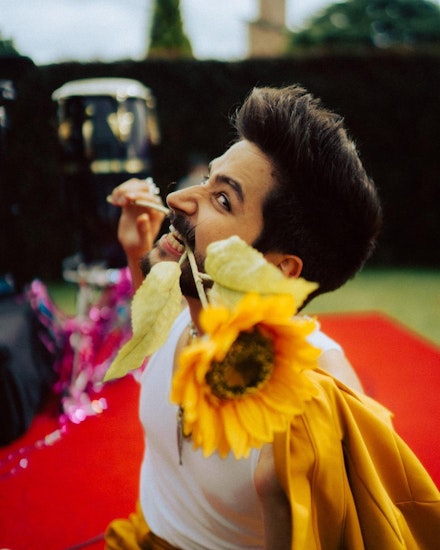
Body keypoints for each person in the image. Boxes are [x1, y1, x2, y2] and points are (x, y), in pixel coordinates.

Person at [105, 85, 439, 549]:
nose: (178, 198)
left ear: (279, 269)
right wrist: (138, 249)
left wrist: (284, 485)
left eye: (223, 200)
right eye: (207, 178)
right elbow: (158, 320)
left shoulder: (313, 397)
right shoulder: (188, 305)